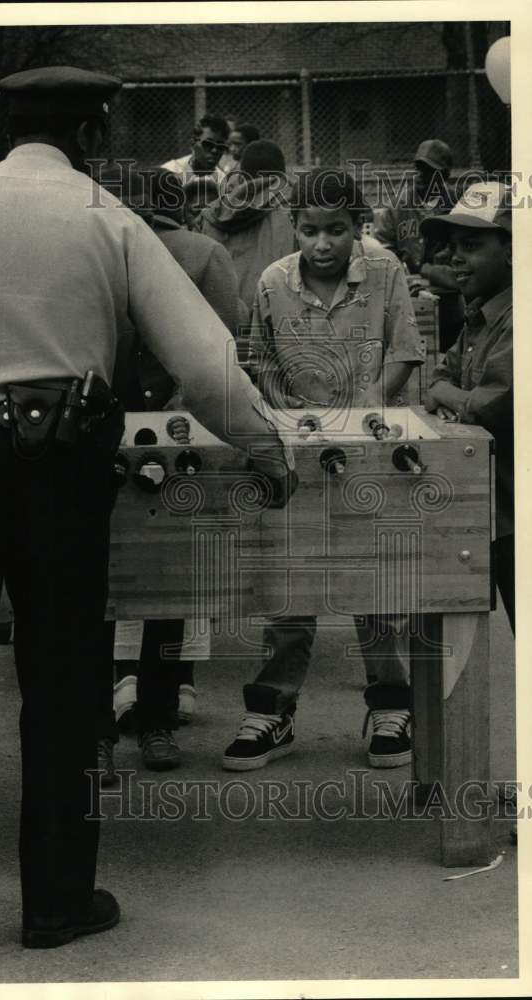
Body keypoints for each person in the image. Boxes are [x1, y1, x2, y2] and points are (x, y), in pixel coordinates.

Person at [0, 66, 292, 964]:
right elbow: (202, 359)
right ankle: (54, 902)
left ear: (5, 131)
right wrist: (264, 443)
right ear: (90, 136)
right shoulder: (109, 218)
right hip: (62, 471)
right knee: (62, 688)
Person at [222, 168, 425, 773]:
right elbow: (256, 359)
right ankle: (273, 710)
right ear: (294, 228)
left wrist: (365, 407)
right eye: (309, 231)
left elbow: (407, 351)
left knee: (373, 579)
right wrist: (289, 413)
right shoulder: (271, 281)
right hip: (296, 444)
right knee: (292, 575)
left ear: (359, 226)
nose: (322, 245)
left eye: (336, 230)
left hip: (367, 444)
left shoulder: (386, 273)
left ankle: (391, 704)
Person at [96, 166, 244, 776]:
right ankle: (156, 719)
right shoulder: (204, 252)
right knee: (170, 578)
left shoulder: (99, 246)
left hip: (99, 427)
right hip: (177, 430)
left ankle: (96, 730)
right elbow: (221, 353)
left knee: (92, 583)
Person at [421, 182, 514, 631]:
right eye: (453, 247)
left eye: (472, 246)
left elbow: (491, 407)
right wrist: (447, 393)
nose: (455, 258)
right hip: (496, 509)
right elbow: (440, 377)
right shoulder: (478, 315)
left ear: (513, 249)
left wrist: (447, 397)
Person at [374, 138, 463, 350]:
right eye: (419, 168)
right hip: (408, 293)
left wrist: (426, 269)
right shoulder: (398, 204)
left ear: (445, 175)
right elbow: (383, 246)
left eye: (430, 170)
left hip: (446, 294)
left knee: (448, 344)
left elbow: (461, 261)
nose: (421, 175)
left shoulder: (457, 207)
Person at [198, 139, 297, 311]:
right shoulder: (297, 207)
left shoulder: (214, 212)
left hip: (224, 317)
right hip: (277, 314)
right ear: (282, 171)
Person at [162, 114, 229, 186]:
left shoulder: (221, 180)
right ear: (193, 143)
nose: (214, 150)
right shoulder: (171, 170)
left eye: (220, 146)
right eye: (208, 144)